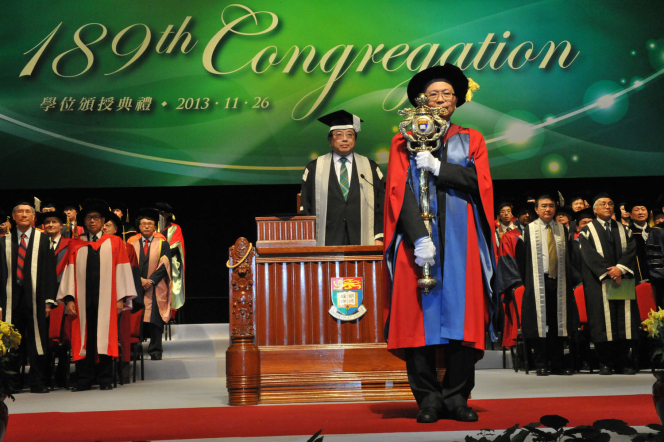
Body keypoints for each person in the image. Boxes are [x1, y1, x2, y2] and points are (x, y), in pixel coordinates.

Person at [383, 64, 496, 423]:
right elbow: (397, 191)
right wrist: (418, 238)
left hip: (462, 242)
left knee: (463, 320)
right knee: (419, 321)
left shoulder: (471, 138)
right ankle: (428, 400)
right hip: (417, 245)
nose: (441, 99)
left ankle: (457, 397)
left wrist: (438, 168)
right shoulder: (403, 139)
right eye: (434, 94)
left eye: (447, 93)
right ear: (422, 100)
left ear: (457, 100)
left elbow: (481, 184)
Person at [56, 199, 137, 391]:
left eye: (96, 218)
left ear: (102, 221)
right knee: (84, 338)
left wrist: (120, 298)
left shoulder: (115, 242)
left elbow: (123, 271)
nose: (92, 221)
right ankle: (84, 379)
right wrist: (69, 299)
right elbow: (69, 272)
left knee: (106, 337)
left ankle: (105, 378)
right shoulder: (76, 244)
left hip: (108, 300)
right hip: (82, 300)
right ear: (84, 222)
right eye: (88, 218)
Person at [501, 192, 578, 376]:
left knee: (558, 323)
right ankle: (541, 363)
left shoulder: (562, 230)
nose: (548, 209)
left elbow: (569, 257)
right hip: (536, 282)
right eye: (543, 206)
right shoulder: (528, 230)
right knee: (538, 325)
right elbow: (521, 259)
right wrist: (529, 281)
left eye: (551, 206)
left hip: (559, 282)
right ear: (536, 209)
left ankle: (557, 364)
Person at [300, 110, 385, 246]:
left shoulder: (370, 168)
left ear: (355, 139)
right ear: (330, 140)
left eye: (349, 134)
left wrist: (379, 237)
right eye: (339, 135)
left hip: (363, 239)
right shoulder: (314, 168)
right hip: (325, 240)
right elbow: (306, 206)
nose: (345, 139)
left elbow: (381, 205)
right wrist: (308, 239)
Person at [0, 198, 58, 393]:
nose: (24, 215)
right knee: (11, 341)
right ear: (13, 216)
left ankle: (38, 381)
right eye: (20, 212)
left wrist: (49, 301)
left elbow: (50, 273)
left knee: (37, 341)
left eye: (28, 212)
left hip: (37, 299)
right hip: (10, 299)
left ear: (34, 217)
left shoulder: (43, 240)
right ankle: (12, 382)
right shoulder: (3, 241)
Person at [579, 193, 638, 375]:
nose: (607, 207)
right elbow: (589, 256)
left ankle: (622, 361)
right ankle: (605, 362)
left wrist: (620, 269)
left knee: (623, 321)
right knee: (602, 321)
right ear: (595, 209)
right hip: (599, 282)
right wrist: (610, 272)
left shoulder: (625, 229)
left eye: (610, 204)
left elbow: (631, 251)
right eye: (603, 204)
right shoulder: (587, 231)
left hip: (622, 279)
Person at [127, 208, 172, 360]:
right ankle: (134, 350)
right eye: (143, 224)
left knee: (155, 319)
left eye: (150, 224)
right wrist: (139, 280)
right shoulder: (131, 243)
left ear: (155, 227)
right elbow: (128, 264)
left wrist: (151, 280)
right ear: (139, 227)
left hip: (156, 286)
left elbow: (165, 264)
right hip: (135, 285)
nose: (146, 226)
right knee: (135, 319)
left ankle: (155, 350)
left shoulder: (163, 243)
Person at [155, 202, 186, 311]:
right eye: (159, 214)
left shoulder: (175, 228)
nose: (161, 217)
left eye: (163, 214)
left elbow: (176, 246)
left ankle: (171, 312)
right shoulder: (152, 228)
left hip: (170, 262)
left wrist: (161, 253)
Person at [626, 198, 651, 283]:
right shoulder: (627, 233)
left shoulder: (656, 231)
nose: (640, 212)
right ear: (630, 215)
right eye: (636, 210)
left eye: (643, 209)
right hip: (635, 279)